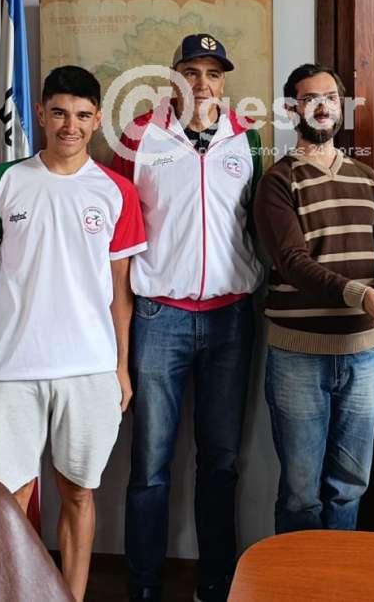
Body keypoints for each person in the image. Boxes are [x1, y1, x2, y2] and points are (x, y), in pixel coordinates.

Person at [0, 65, 146, 601]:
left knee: (78, 494)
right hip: (10, 368)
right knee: (11, 502)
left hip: (88, 369)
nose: (69, 125)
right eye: (59, 112)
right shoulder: (6, 181)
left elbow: (120, 290)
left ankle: (72, 597)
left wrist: (120, 366)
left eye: (82, 115)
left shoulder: (117, 192)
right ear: (40, 113)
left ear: (97, 120)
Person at [110, 33, 264, 602]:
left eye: (213, 74)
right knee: (151, 460)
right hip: (159, 317)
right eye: (192, 72)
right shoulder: (139, 135)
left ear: (224, 82)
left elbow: (258, 222)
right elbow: (119, 230)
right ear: (174, 77)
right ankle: (144, 584)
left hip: (230, 319)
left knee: (220, 459)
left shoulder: (248, 138)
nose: (202, 83)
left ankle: (216, 580)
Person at [254, 62, 374, 533]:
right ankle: (297, 575)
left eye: (331, 98)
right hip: (298, 355)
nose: (322, 107)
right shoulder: (278, 181)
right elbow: (291, 262)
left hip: (362, 355)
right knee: (301, 494)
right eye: (310, 99)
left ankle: (340, 573)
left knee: (351, 486)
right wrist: (357, 293)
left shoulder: (367, 178)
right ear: (290, 109)